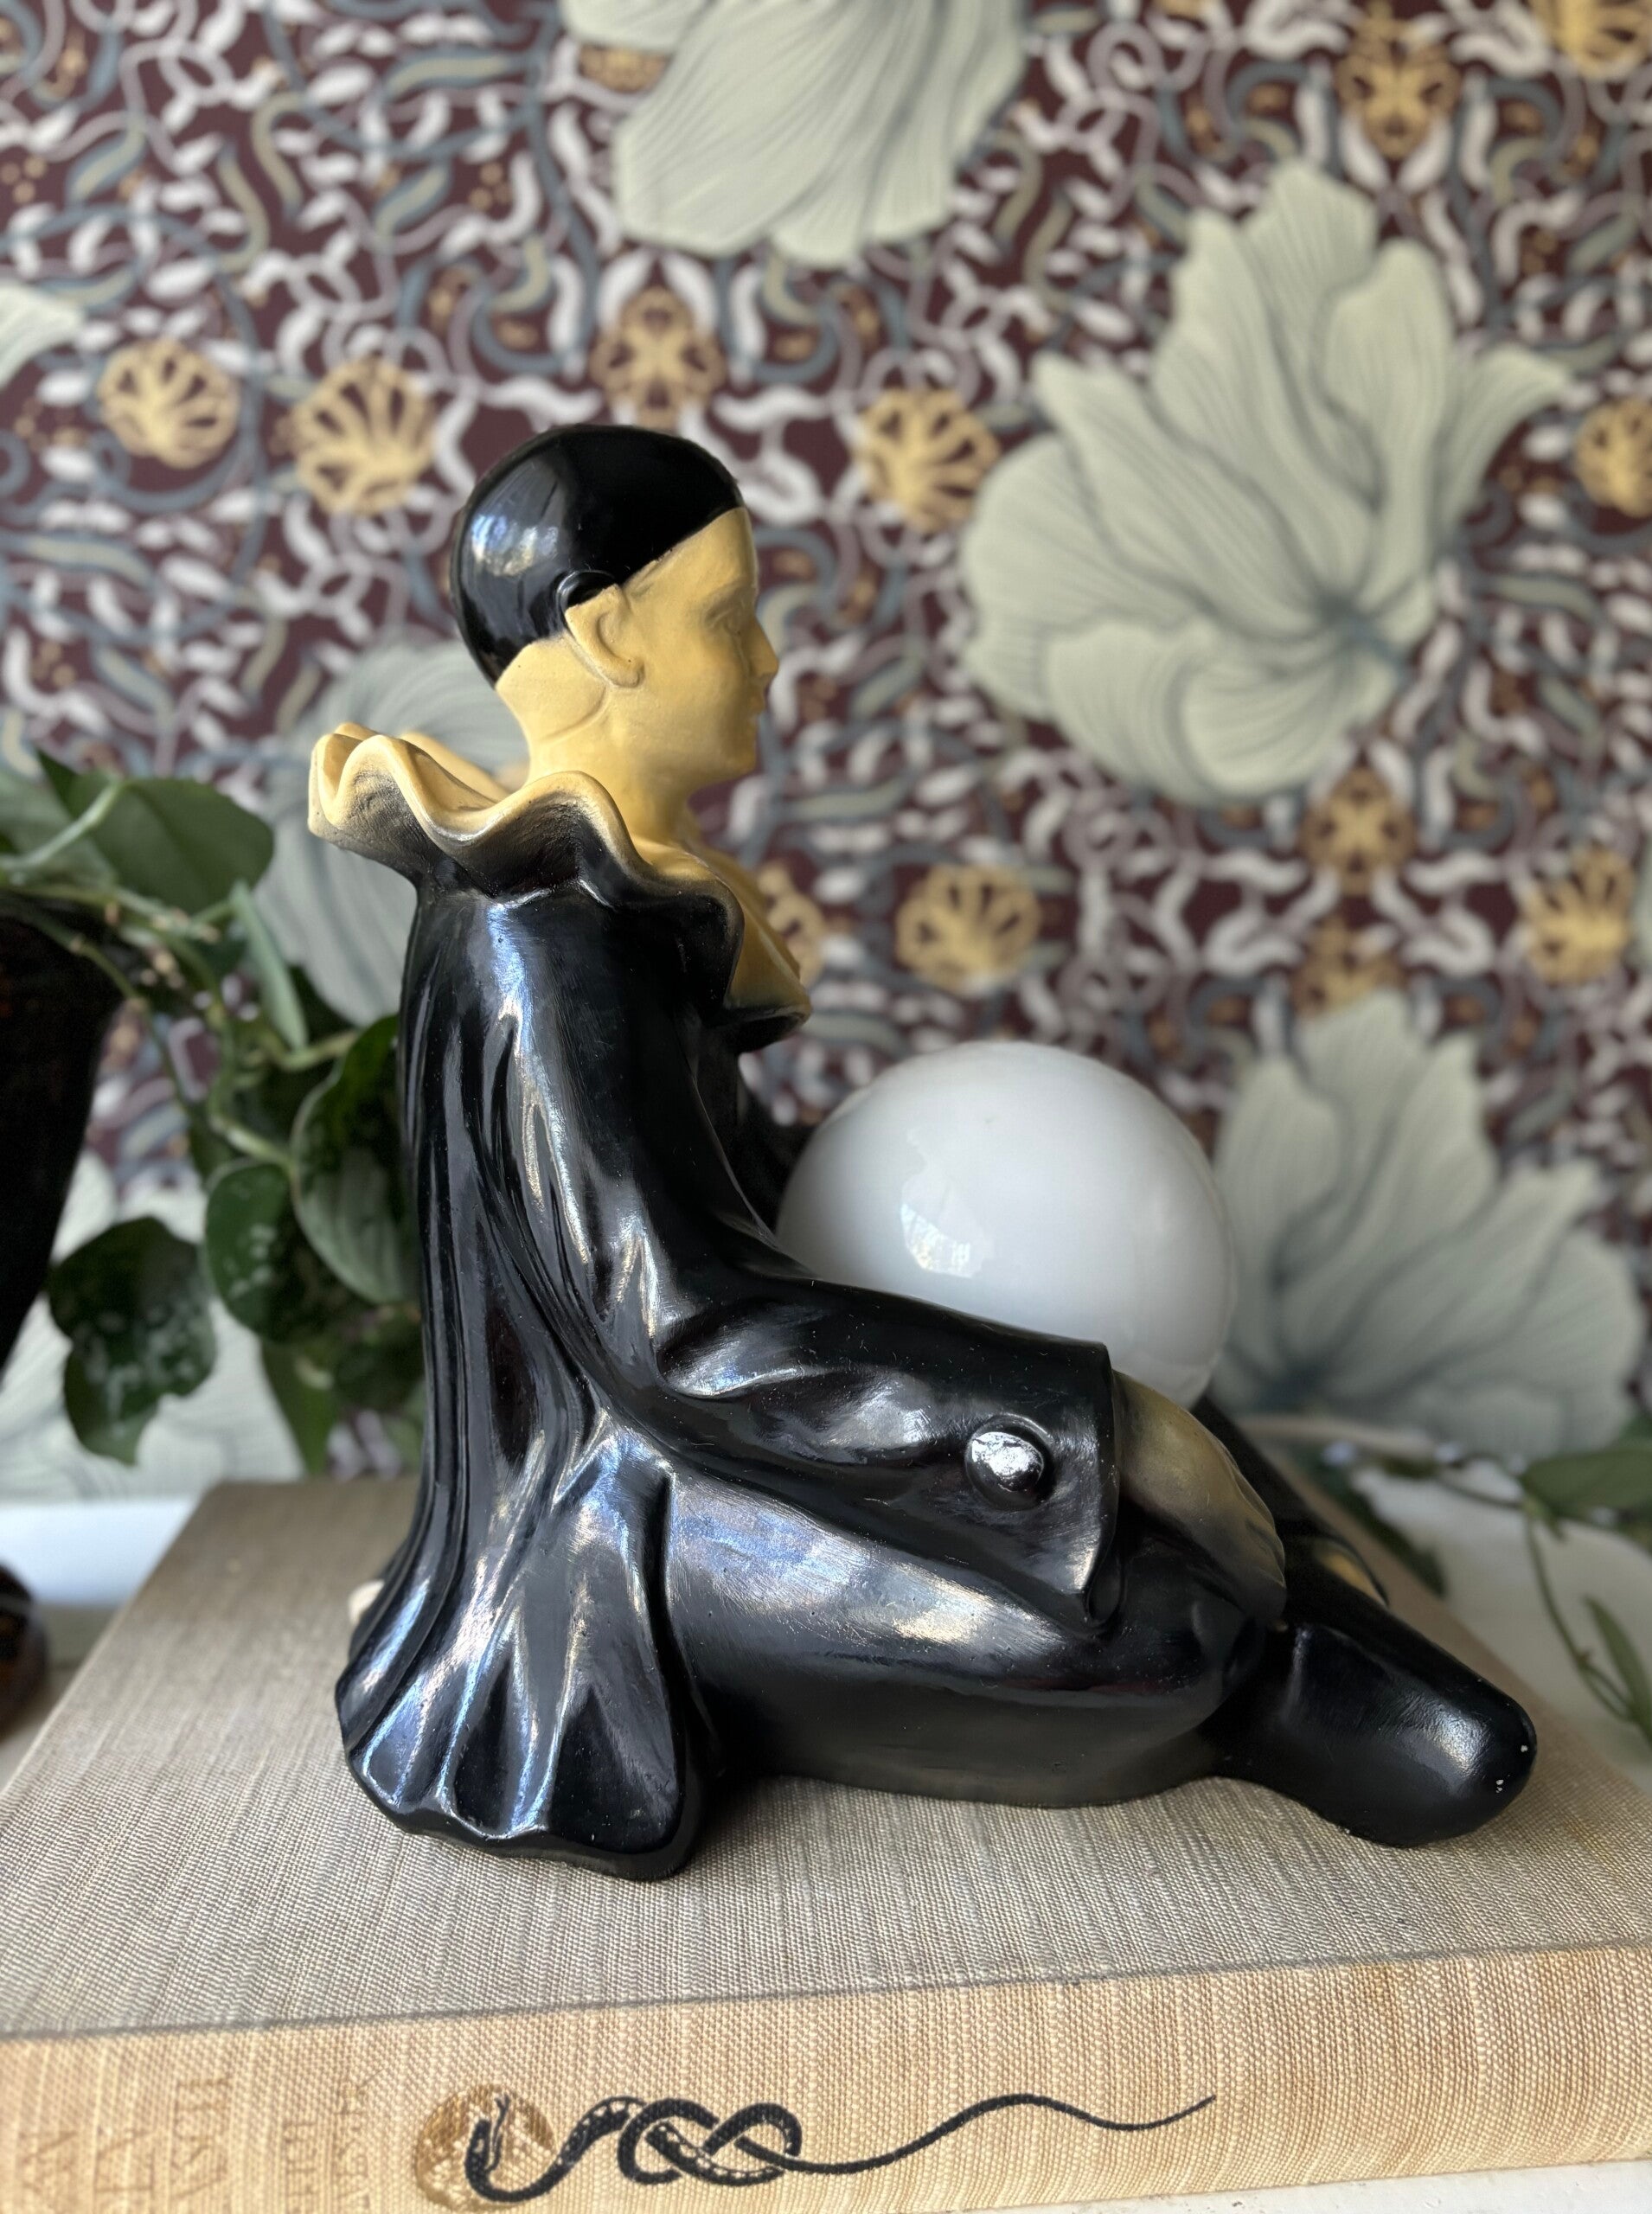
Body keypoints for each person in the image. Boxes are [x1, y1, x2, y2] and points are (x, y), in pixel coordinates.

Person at [310, 426, 1534, 1878]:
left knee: (1160, 1411)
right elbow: (673, 1331)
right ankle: (1284, 1668)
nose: (767, 660)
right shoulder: (534, 932)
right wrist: (1082, 1427)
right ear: (606, 634)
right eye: (728, 617)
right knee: (1142, 1619)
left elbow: (731, 1198)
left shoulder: (619, 913)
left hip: (714, 1421)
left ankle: (1310, 1593)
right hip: (629, 1507)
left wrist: (1001, 1274)